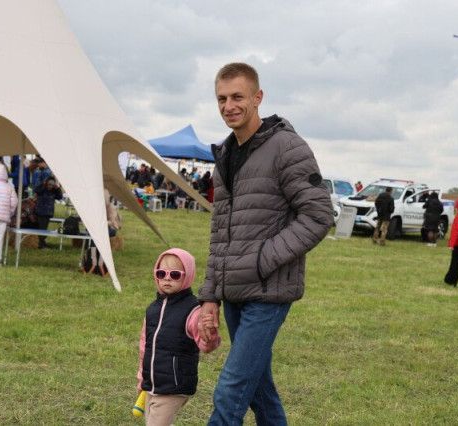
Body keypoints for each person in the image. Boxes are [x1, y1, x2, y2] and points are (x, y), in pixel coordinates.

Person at [197, 62, 333, 425]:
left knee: (230, 391)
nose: (229, 106)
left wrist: (262, 259)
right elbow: (220, 233)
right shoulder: (224, 155)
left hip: (267, 292)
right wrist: (209, 295)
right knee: (259, 390)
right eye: (222, 99)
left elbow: (319, 215)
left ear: (257, 97)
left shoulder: (287, 147)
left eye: (237, 97)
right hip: (234, 292)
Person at [137, 248, 220, 426]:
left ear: (187, 276)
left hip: (174, 385)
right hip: (153, 384)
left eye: (175, 274)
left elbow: (206, 346)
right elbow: (145, 347)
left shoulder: (193, 311)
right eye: (161, 273)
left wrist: (210, 334)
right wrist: (142, 379)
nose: (167, 278)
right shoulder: (152, 310)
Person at [34, 177, 63, 249]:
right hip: (41, 212)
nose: (50, 186)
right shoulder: (42, 190)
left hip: (48, 213)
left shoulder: (53, 191)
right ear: (46, 184)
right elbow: (36, 190)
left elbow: (60, 197)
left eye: (52, 185)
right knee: (42, 229)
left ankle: (42, 242)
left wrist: (58, 189)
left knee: (45, 228)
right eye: (49, 184)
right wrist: (43, 185)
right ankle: (41, 245)